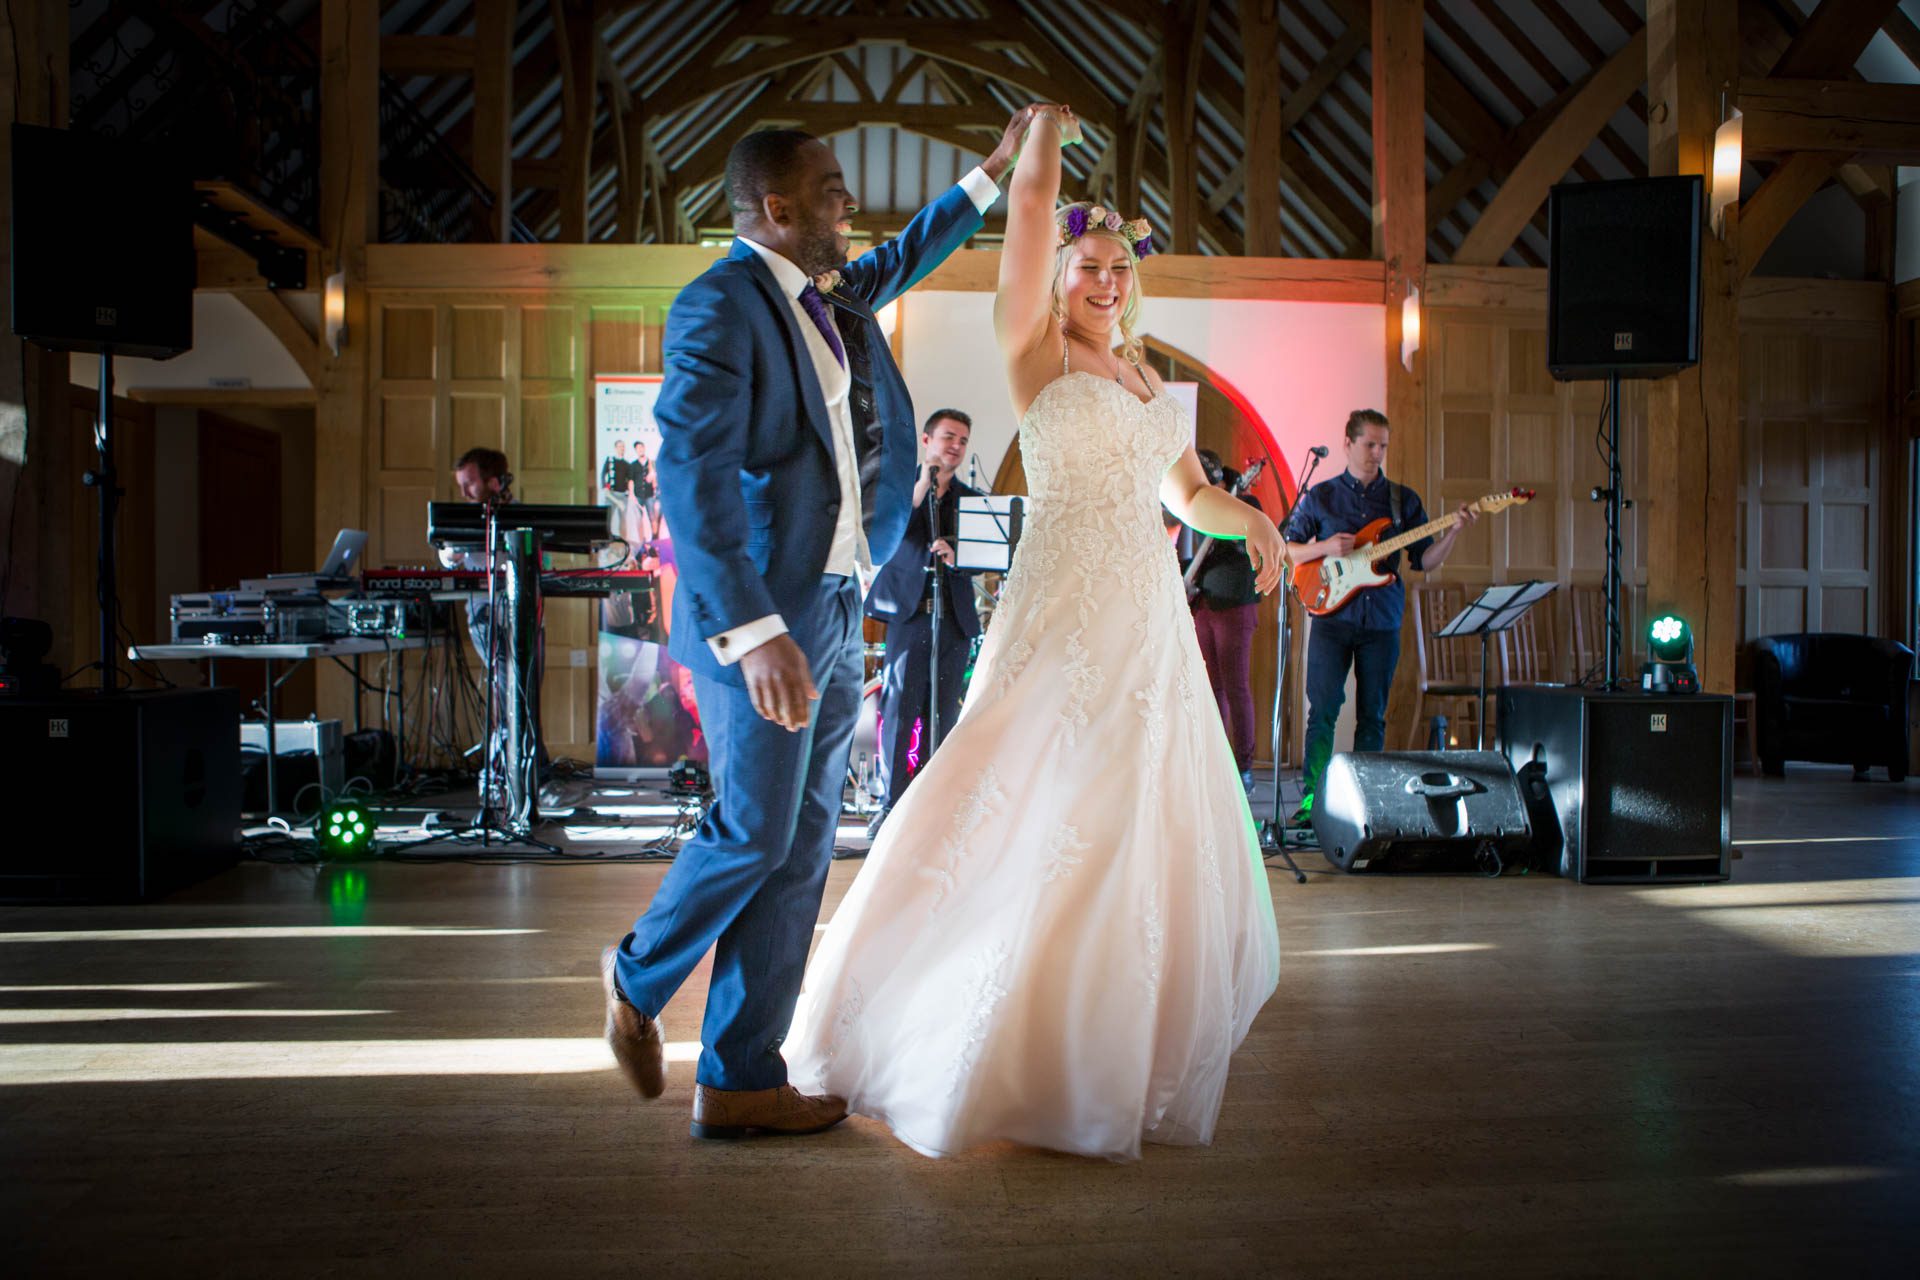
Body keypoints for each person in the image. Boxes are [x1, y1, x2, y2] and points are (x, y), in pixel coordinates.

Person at [784, 105, 1284, 1161]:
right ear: (1059, 274)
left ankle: (1083, 1062)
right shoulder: (1034, 350)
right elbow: (1023, 207)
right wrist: (1043, 137)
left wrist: (1261, 520)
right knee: (1011, 800)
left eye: (1116, 268)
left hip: (1148, 624)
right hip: (1060, 608)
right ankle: (921, 1020)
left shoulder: (1149, 377)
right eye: (1087, 264)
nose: (1104, 281)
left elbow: (1190, 494)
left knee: (1120, 834)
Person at [599, 110, 1043, 1141]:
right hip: (766, 617)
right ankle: (634, 972)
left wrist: (986, 175)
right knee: (754, 825)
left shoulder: (832, 294)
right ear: (781, 207)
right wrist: (755, 630)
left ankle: (743, 1073)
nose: (851, 203)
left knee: (802, 847)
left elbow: (904, 251)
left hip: (842, 602)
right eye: (834, 188)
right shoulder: (719, 307)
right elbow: (691, 472)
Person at [1280, 409, 1476, 824]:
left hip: (1382, 621)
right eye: (1369, 444)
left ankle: (1366, 800)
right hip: (1331, 618)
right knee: (1324, 709)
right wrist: (1325, 547)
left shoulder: (1403, 501)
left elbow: (1425, 561)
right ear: (1348, 443)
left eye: (1383, 445)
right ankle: (1313, 800)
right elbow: (1287, 550)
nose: (1377, 453)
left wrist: (1455, 531)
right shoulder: (1321, 496)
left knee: (1373, 714)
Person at [863, 408, 981, 834]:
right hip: (910, 617)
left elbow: (986, 559)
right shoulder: (900, 489)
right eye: (949, 436)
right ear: (928, 441)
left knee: (942, 717)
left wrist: (958, 554)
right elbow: (887, 534)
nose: (956, 446)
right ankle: (891, 807)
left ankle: (933, 807)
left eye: (963, 440)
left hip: (953, 622)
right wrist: (922, 484)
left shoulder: (970, 500)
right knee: (899, 713)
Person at [438, 446, 549, 799]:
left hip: (525, 613)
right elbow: (447, 559)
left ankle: (533, 773)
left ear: (494, 481)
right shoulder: (460, 518)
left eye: (470, 483)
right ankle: (502, 774)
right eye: (461, 484)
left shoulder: (521, 517)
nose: (464, 493)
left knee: (526, 694)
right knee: (506, 693)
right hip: (486, 615)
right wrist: (451, 550)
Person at [1188, 449, 1263, 793]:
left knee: (1237, 686)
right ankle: (1214, 763)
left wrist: (1226, 524)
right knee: (1210, 688)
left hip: (1235, 603)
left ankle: (1244, 768)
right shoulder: (1190, 506)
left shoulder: (1245, 505)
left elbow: (1250, 547)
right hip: (1203, 602)